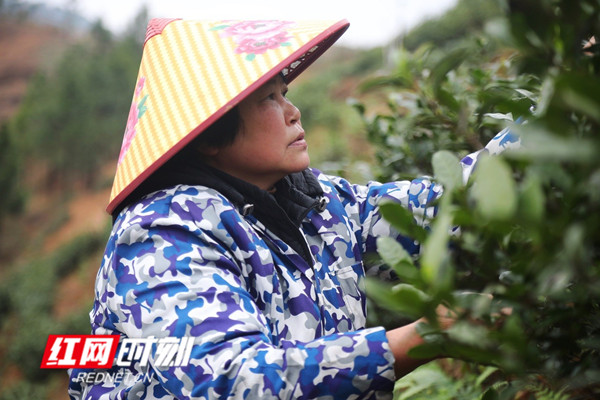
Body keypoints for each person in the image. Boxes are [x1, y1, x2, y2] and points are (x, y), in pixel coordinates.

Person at [68, 18, 518, 399]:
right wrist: (422, 338)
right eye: (269, 98)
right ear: (207, 136)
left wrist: (558, 110)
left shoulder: (319, 205)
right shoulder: (160, 234)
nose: (294, 111)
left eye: (285, 93)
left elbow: (446, 208)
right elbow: (231, 378)